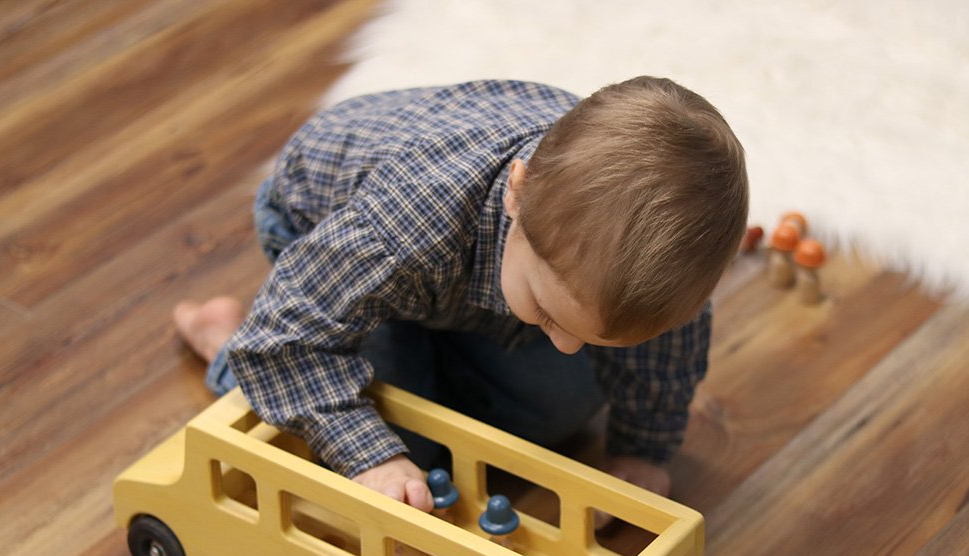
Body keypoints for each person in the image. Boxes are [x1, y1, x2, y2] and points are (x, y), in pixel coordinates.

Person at [174, 77, 749, 513]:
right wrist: (373, 455)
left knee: (562, 409)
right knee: (400, 460)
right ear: (517, 197)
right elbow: (287, 341)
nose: (569, 346)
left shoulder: (660, 274)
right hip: (329, 241)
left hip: (451, 283)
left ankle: (433, 362)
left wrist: (642, 451)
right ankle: (221, 337)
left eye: (594, 335)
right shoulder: (402, 229)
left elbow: (659, 362)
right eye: (550, 315)